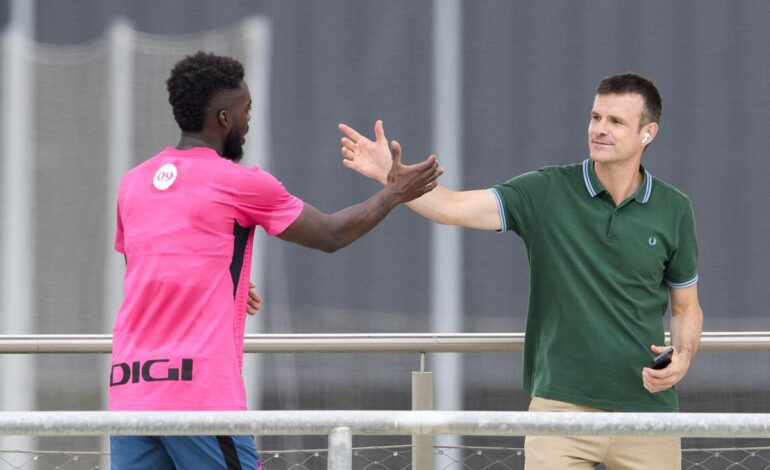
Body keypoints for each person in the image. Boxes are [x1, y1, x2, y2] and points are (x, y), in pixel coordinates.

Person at [339, 73, 703, 469]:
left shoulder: (674, 208)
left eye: (616, 122)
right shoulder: (547, 190)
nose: (599, 129)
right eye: (595, 117)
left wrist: (682, 356)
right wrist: (390, 180)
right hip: (560, 410)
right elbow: (451, 208)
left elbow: (686, 308)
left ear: (648, 133)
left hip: (647, 412)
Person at [109, 51, 442, 470]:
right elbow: (331, 234)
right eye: (246, 109)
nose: (250, 119)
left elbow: (146, 274)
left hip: (130, 388)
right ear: (225, 118)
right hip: (198, 393)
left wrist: (218, 287)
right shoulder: (241, 182)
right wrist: (393, 192)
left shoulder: (132, 183)